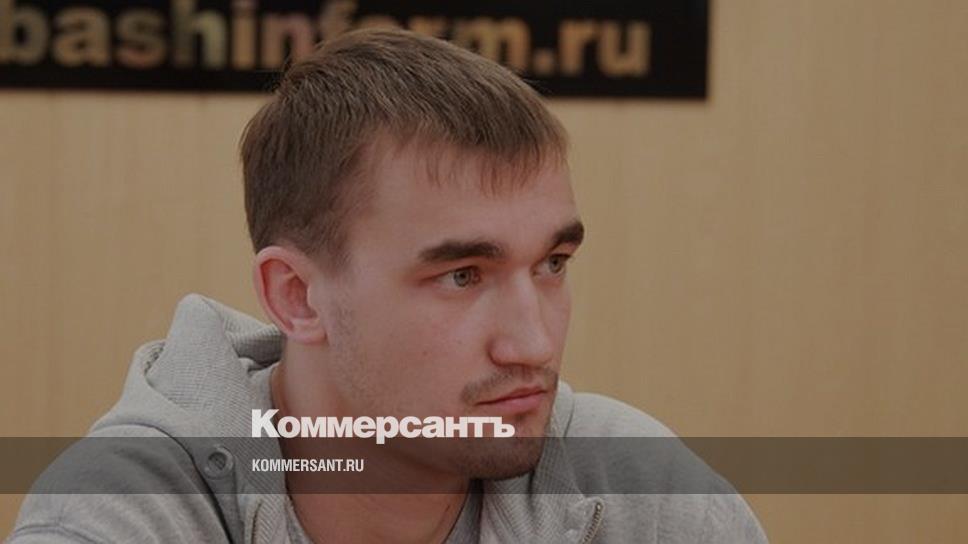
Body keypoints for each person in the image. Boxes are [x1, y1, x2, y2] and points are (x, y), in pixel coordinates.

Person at [9, 28, 767, 543]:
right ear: (297, 296)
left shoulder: (644, 497)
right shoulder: (123, 512)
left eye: (552, 264)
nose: (535, 344)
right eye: (462, 276)